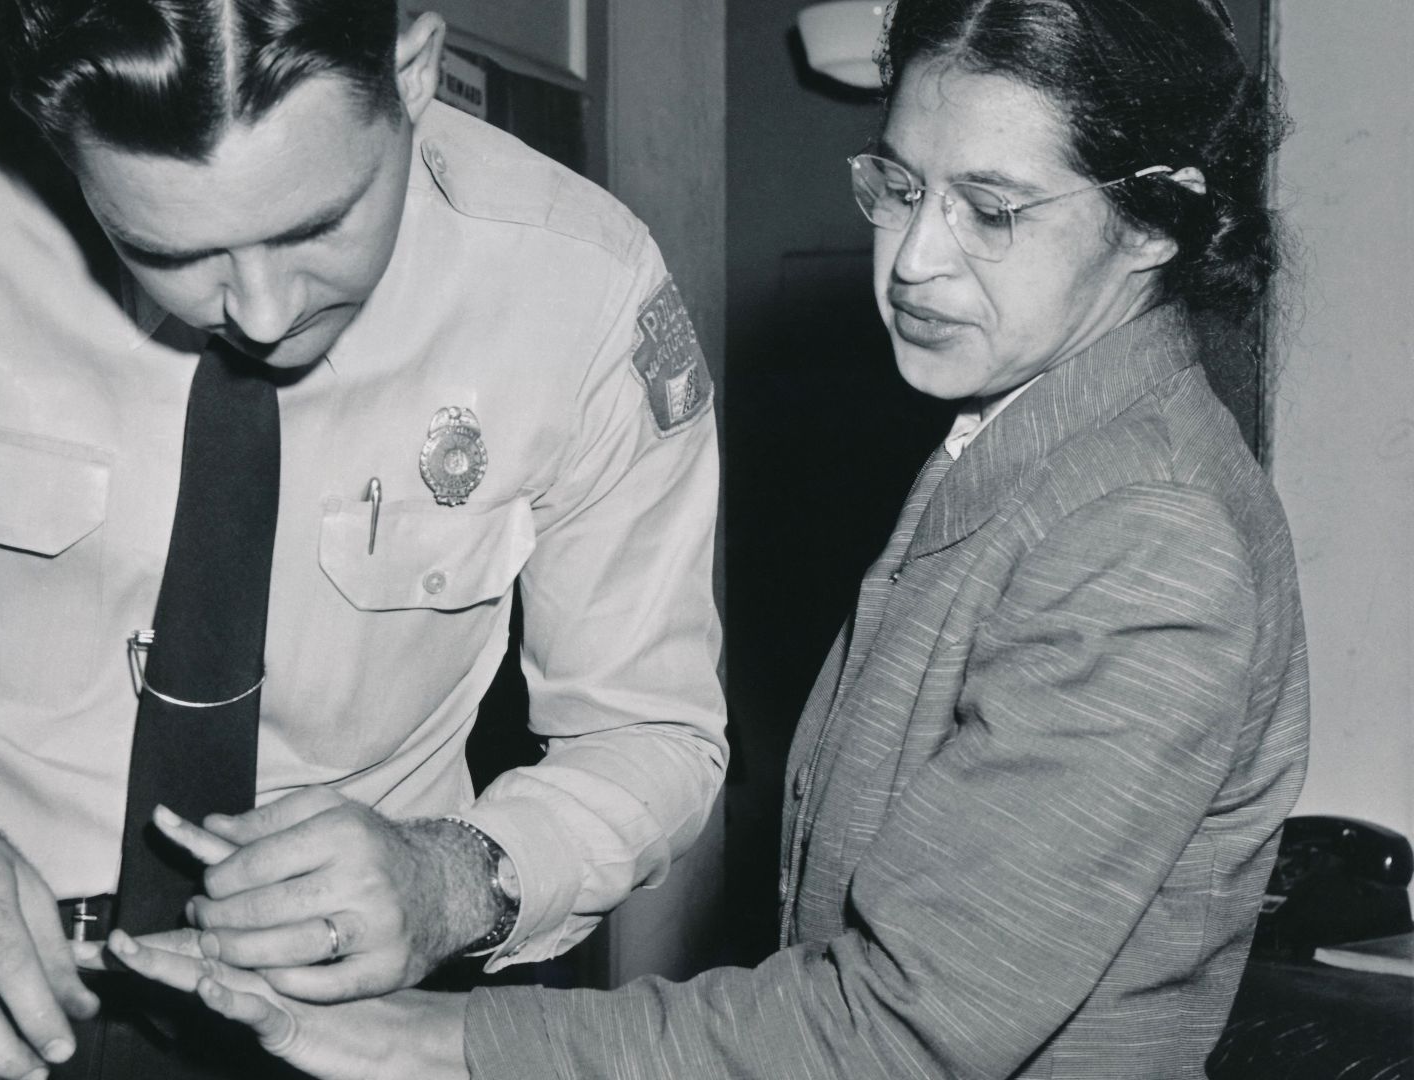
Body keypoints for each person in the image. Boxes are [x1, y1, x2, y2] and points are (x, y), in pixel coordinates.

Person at [113, 1, 1311, 1077]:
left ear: (1157, 223)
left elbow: (898, 1032)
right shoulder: (1031, 445)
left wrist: (442, 1038)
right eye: (898, 187)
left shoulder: (1146, 538)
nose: (914, 257)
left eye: (991, 210)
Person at [0, 3, 728, 1078]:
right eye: (171, 251)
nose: (265, 313)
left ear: (414, 74)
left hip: (359, 1033)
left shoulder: (579, 288)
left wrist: (457, 874)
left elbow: (654, 731)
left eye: (322, 223)